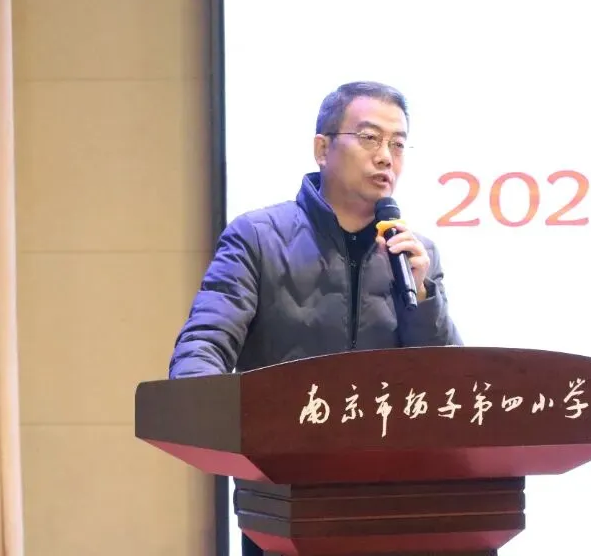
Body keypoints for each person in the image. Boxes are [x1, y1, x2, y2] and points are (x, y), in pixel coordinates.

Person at [167, 81, 462, 556]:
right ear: (322, 149)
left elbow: (450, 383)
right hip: (283, 502)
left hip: (394, 502)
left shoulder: (414, 255)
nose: (385, 157)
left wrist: (424, 295)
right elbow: (206, 342)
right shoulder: (257, 238)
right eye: (369, 138)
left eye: (398, 144)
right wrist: (200, 413)